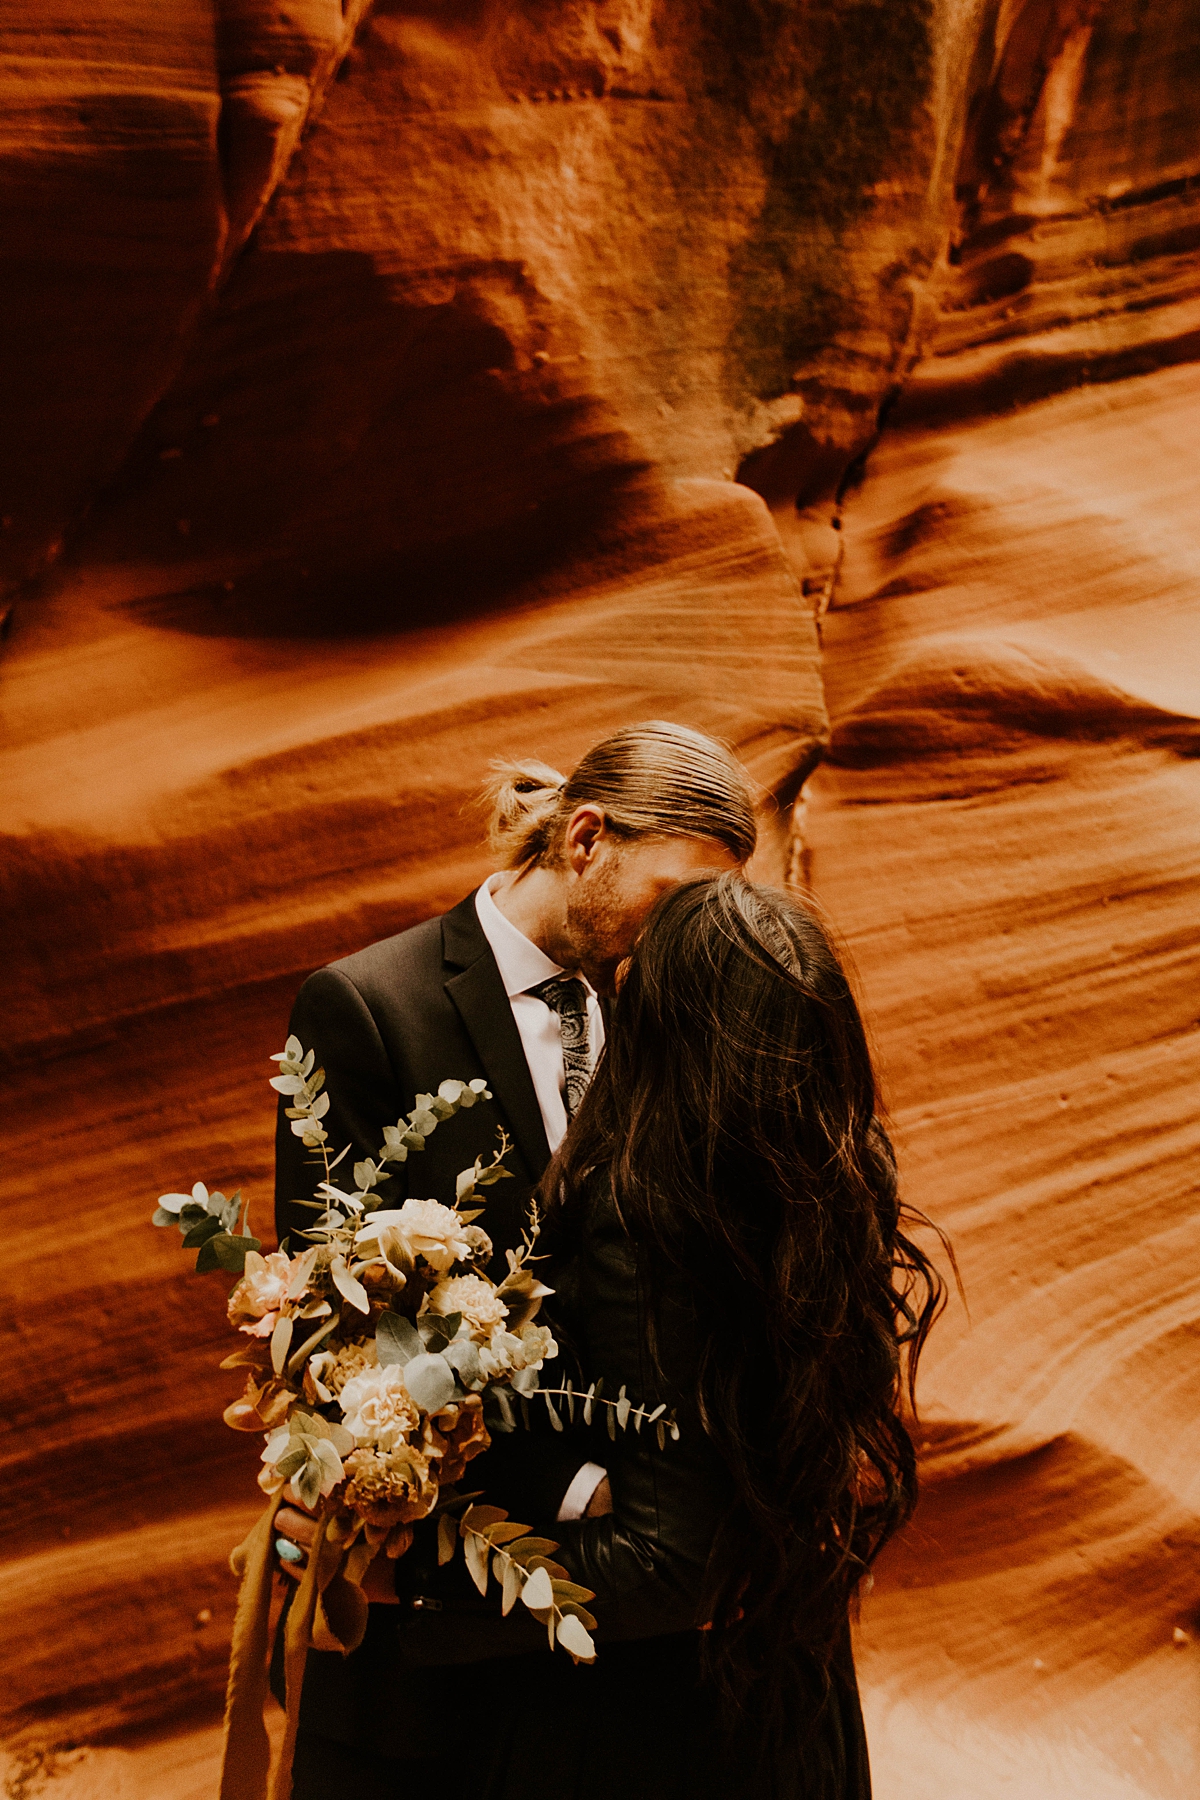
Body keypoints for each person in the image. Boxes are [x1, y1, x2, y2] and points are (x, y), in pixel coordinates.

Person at [271, 721, 758, 1795]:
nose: (690, 941)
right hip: (438, 1616)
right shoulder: (366, 1006)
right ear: (586, 840)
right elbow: (333, 1325)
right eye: (677, 899)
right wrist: (582, 1490)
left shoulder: (671, 1012)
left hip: (631, 1648)